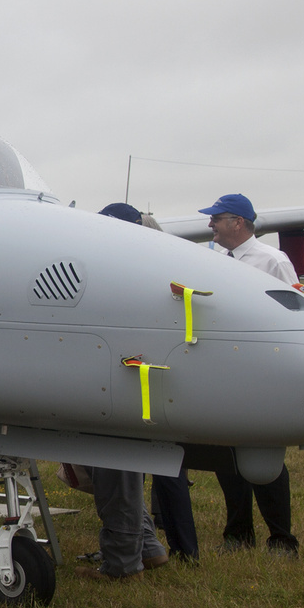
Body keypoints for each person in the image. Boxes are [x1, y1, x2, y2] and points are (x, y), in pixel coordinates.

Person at [97, 202, 201, 562]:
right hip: (149, 380)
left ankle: (124, 557)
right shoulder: (162, 261)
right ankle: (153, 544)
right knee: (153, 469)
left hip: (129, 380)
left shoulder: (129, 267)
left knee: (116, 467)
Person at [199, 193, 300, 556]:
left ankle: (282, 538)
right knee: (226, 456)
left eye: (216, 218)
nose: (210, 224)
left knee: (263, 455)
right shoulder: (212, 258)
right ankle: (238, 533)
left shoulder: (273, 261)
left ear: (238, 222)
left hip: (262, 371)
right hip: (224, 368)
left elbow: (295, 311)